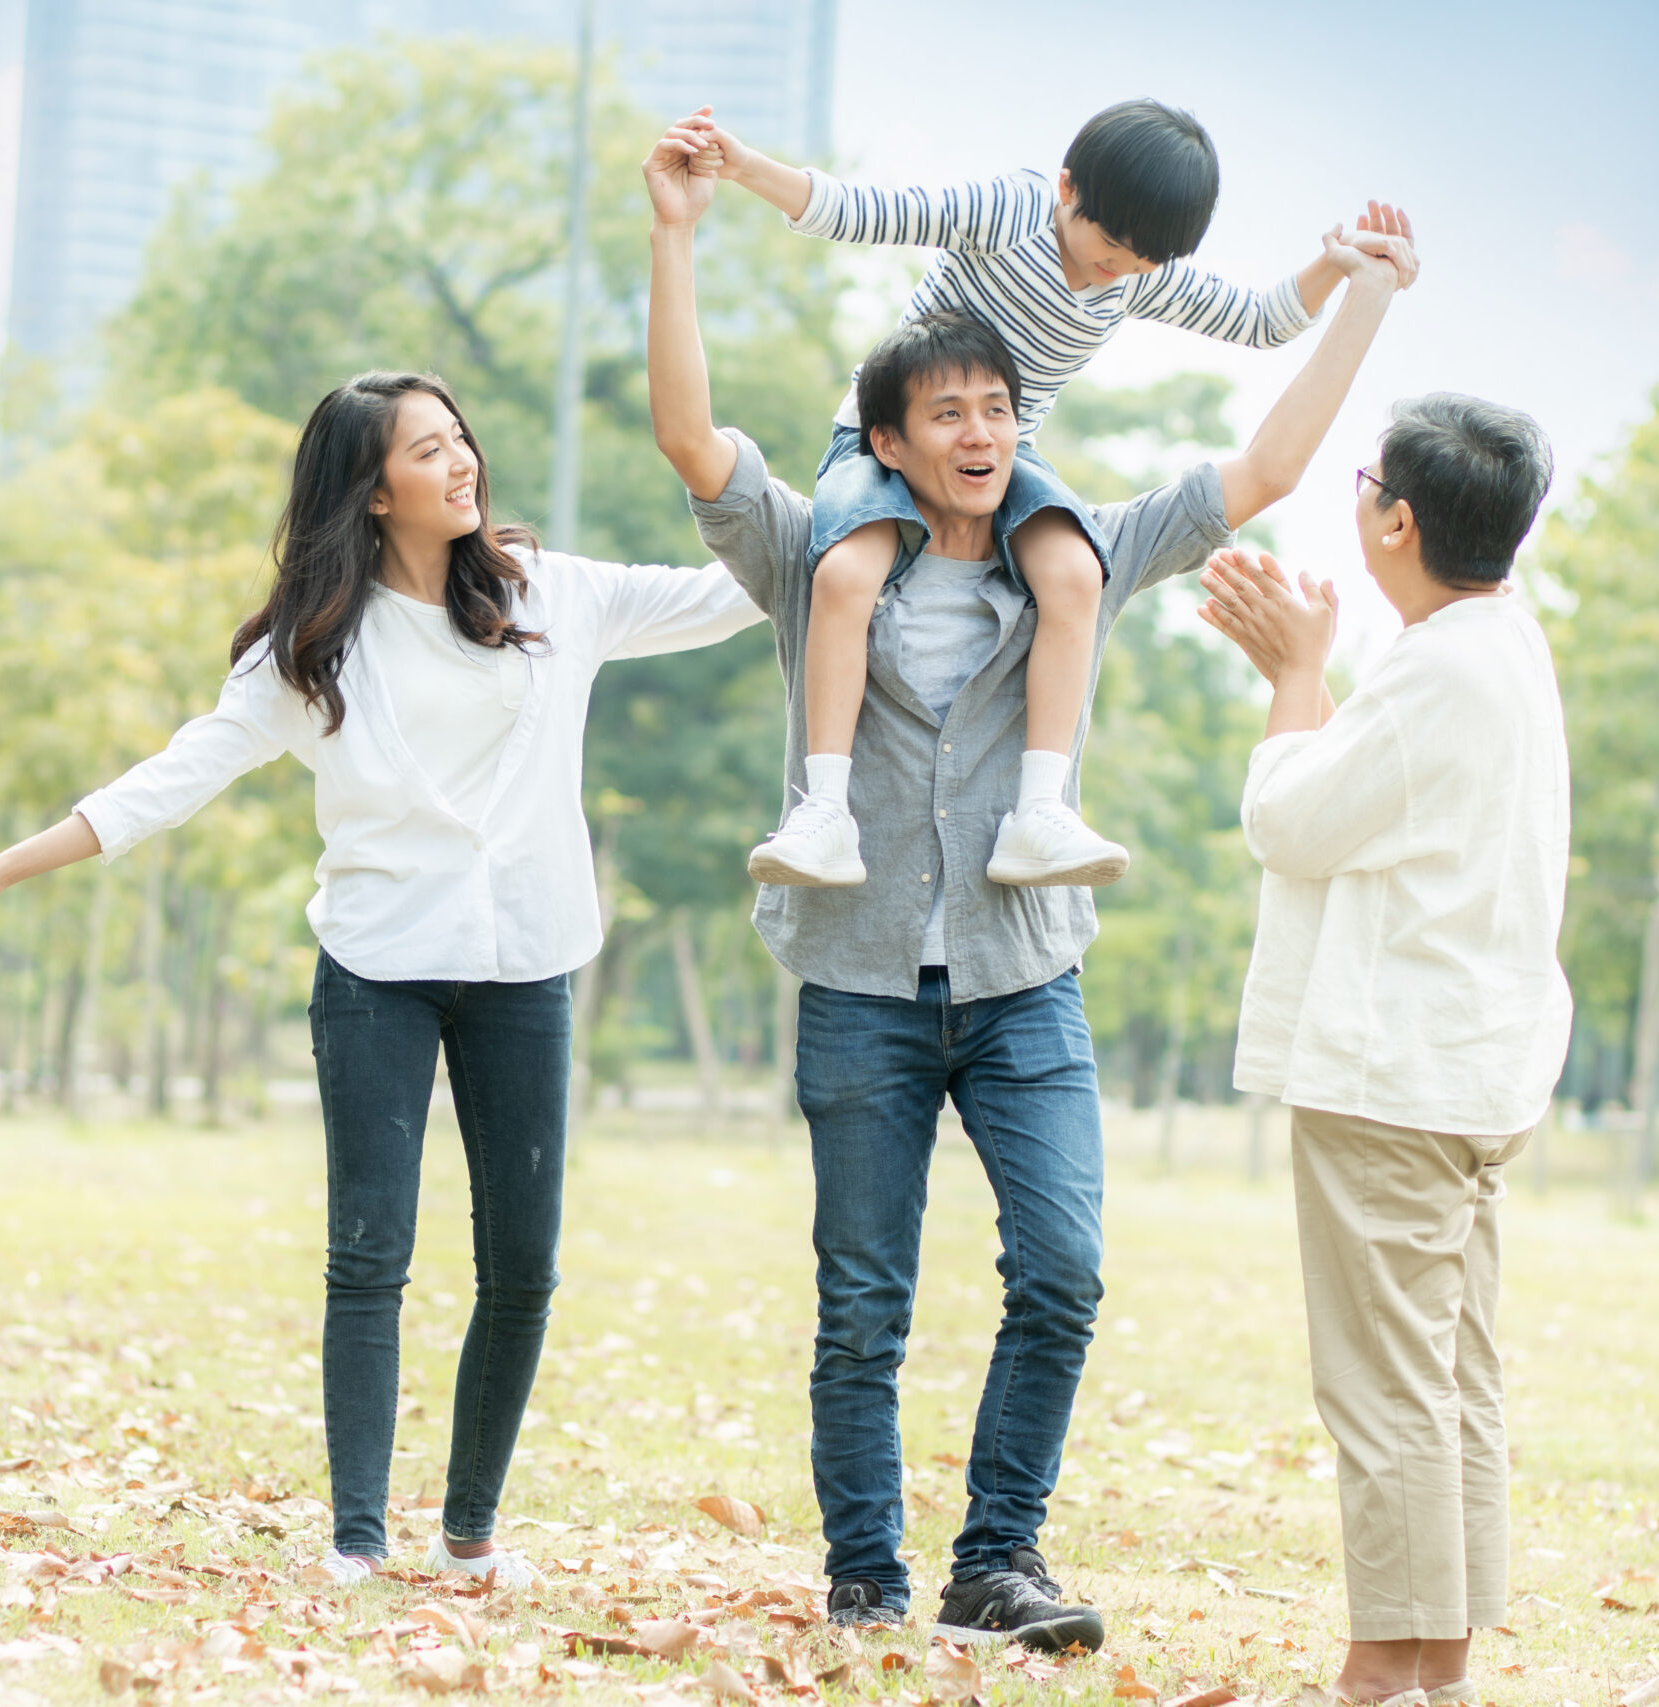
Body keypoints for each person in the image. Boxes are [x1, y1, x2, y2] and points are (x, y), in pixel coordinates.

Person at [640, 118, 1408, 1648]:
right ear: (891, 434)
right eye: (950, 410)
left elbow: (1257, 467)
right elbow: (689, 441)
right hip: (860, 982)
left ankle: (998, 1560)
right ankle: (867, 1578)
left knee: (1062, 1267)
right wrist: (680, 233)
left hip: (1022, 978)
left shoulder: (1078, 553)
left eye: (1003, 407)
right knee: (862, 1304)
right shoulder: (818, 558)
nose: (984, 430)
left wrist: (1364, 298)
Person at [0, 372, 762, 1590]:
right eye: (428, 448)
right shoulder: (315, 653)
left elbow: (737, 592)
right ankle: (358, 1536)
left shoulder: (548, 594)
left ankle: (470, 1534)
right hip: (378, 973)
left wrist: (868, 494)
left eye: (462, 435)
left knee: (524, 1265)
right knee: (370, 1253)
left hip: (525, 968)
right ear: (370, 491)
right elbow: (168, 779)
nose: (461, 461)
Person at [685, 98, 1414, 892]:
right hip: (887, 436)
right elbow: (868, 212)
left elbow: (1263, 321)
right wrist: (744, 164)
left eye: (1144, 258)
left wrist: (1340, 267)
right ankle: (823, 809)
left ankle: (1038, 813)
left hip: (1004, 457)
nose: (1120, 267)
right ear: (1069, 188)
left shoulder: (1136, 279)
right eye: (1111, 243)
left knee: (1075, 573)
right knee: (845, 574)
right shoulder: (1015, 211)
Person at [1194, 396, 1569, 1706]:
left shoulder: (1438, 667)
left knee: (1387, 1385)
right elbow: (1380, 795)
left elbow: (1293, 822)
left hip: (1397, 1075)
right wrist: (1316, 675)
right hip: (1468, 1069)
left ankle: (1375, 1675)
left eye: (1363, 480)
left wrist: (1297, 674)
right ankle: (1434, 1668)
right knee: (1453, 1375)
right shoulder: (1498, 644)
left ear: (1397, 517)